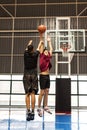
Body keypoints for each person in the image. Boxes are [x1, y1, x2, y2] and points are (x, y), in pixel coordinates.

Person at [23, 40, 42, 121]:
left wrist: (29, 43)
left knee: (27, 93)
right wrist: (40, 42)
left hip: (26, 74)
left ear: (28, 49)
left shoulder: (25, 54)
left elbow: (27, 48)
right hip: (34, 74)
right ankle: (33, 111)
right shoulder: (35, 54)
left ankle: (28, 111)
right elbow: (38, 48)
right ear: (33, 49)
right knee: (33, 93)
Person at [37, 34, 53, 117]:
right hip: (43, 76)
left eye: (47, 51)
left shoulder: (48, 57)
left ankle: (45, 106)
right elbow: (41, 47)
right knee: (42, 92)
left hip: (48, 76)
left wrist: (49, 42)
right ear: (43, 53)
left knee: (47, 91)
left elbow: (51, 49)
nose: (46, 52)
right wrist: (41, 37)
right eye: (45, 51)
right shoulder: (42, 56)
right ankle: (39, 107)